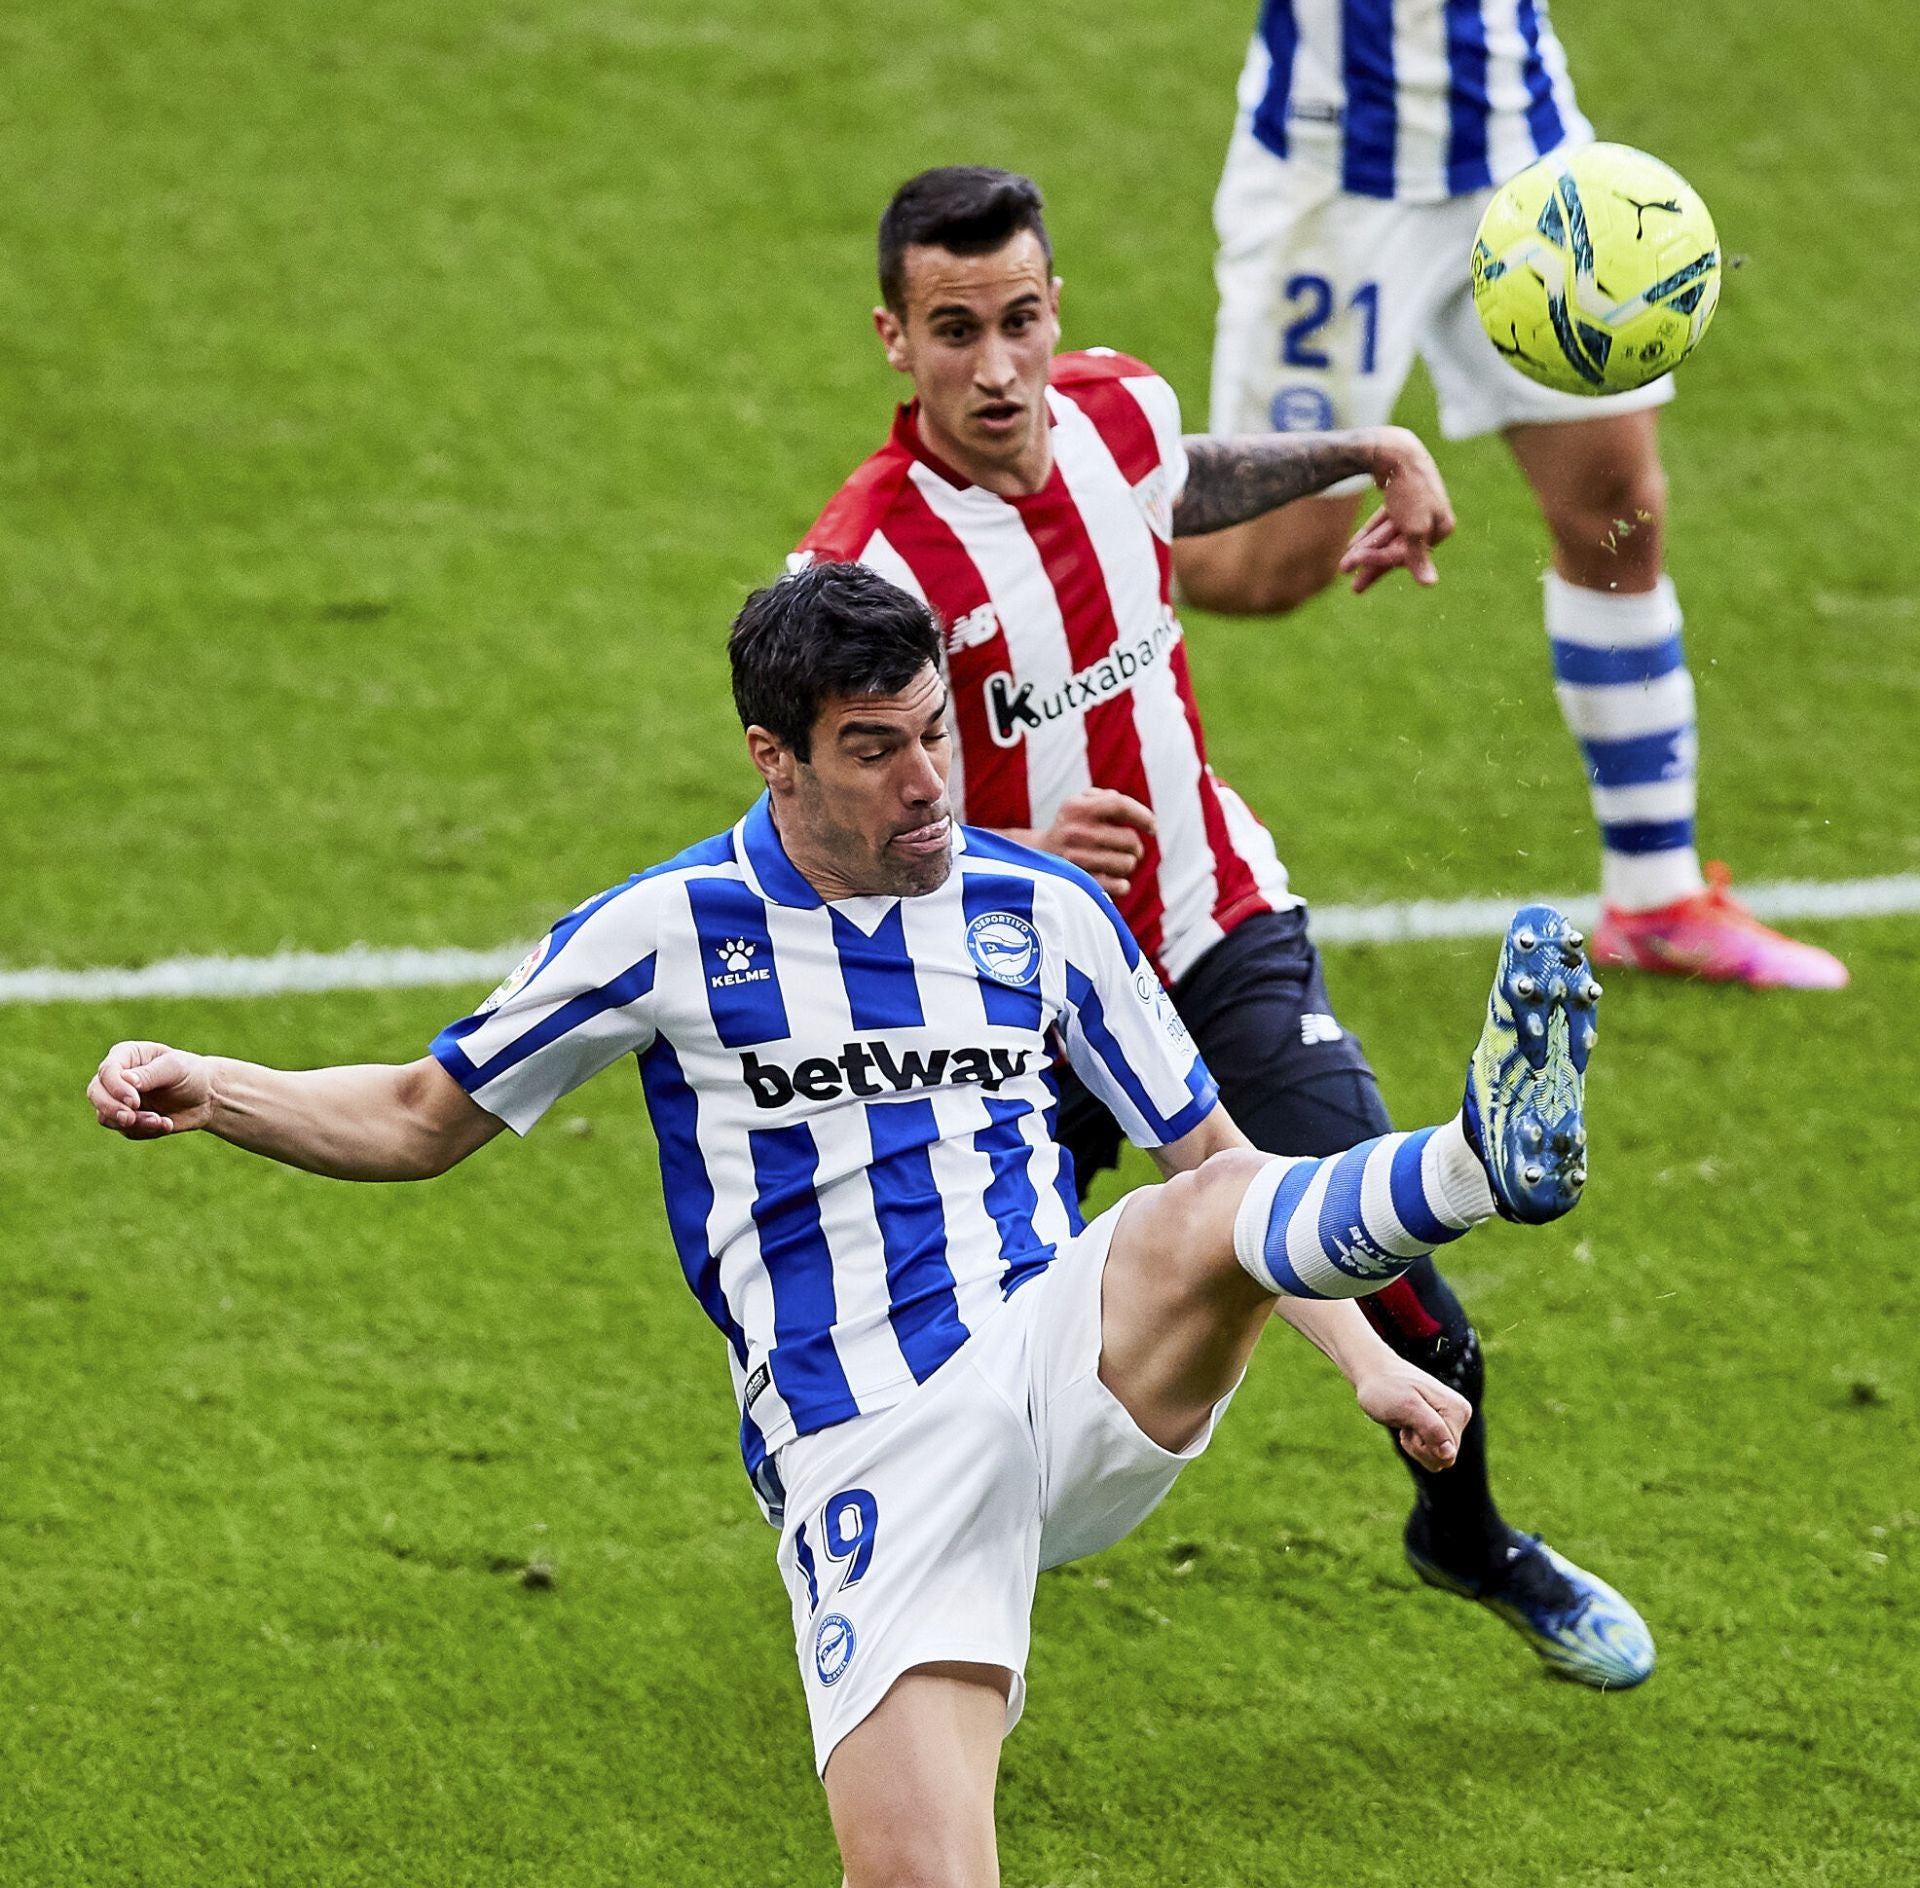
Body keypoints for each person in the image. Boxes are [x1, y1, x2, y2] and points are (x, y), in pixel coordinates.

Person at [91, 559, 1605, 1885]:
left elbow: (1223, 1171)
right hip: (865, 1447)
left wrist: (1369, 1366)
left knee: (1192, 1202)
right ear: (778, 760)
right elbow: (423, 1119)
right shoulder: (668, 931)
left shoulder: (1044, 911)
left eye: (936, 733)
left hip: (1053, 1354)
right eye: (874, 752)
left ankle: (1478, 1162)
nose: (928, 783)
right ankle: (1466, 1164)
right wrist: (215, 1088)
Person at [795, 164, 1654, 1689]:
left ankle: (1466, 1536)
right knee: (985, 1388)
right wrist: (993, 849)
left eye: (1021, 320)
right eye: (953, 331)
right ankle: (915, 1608)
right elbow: (814, 835)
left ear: (1055, 307)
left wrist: (1370, 446)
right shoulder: (862, 571)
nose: (997, 370)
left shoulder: (1113, 407)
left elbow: (1175, 477)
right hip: (1004, 1001)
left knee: (1405, 1274)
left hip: (1212, 930)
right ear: (893, 338)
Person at [1173, 0, 1846, 991]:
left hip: (1528, 156)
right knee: (1251, 572)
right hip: (1335, 183)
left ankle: (1656, 896)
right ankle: (1037, 533)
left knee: (1616, 511)